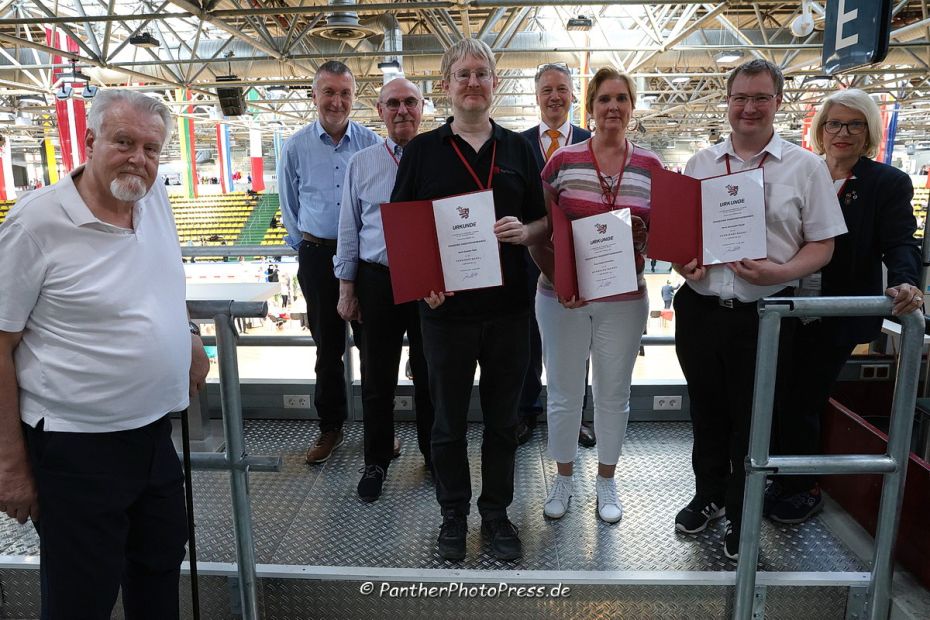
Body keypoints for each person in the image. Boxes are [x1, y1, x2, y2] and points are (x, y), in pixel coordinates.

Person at [0, 89, 209, 619]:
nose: (138, 158)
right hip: (75, 450)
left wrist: (187, 336)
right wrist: (9, 467)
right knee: (81, 597)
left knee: (159, 569)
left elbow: (161, 281)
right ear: (90, 140)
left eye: (151, 148)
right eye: (124, 142)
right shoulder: (34, 225)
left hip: (154, 434)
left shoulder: (151, 197)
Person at [671, 59, 847, 560]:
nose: (749, 107)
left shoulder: (804, 166)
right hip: (702, 310)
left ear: (778, 102)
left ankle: (742, 512)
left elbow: (823, 245)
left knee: (754, 419)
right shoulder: (701, 163)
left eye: (761, 98)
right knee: (706, 411)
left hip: (764, 315)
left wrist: (779, 272)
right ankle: (708, 497)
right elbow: (685, 238)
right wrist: (685, 264)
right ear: (727, 102)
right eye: (740, 97)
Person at [391, 38, 547, 561]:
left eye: (482, 73)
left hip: (508, 311)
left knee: (504, 422)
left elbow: (544, 219)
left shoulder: (521, 149)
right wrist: (422, 283)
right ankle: (452, 512)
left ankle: (497, 513)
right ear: (446, 85)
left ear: (495, 83)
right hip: (445, 314)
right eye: (463, 74)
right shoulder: (422, 152)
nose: (473, 82)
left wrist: (525, 233)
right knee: (447, 422)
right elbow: (404, 231)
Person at [766, 88, 922, 523]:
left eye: (854, 124)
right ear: (821, 128)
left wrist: (907, 281)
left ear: (869, 131)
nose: (842, 133)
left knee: (804, 398)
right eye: (834, 123)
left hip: (834, 313)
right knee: (774, 394)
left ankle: (801, 484)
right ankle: (775, 472)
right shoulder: (800, 171)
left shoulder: (885, 183)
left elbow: (898, 241)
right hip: (785, 306)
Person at [530, 67, 659, 524]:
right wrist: (557, 280)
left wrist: (646, 235)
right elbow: (539, 230)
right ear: (591, 107)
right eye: (604, 99)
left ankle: (607, 479)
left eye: (622, 99)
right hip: (562, 298)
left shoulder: (649, 165)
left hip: (624, 298)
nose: (613, 107)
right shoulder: (562, 162)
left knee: (613, 394)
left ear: (631, 106)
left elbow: (664, 239)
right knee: (563, 392)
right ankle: (563, 476)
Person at [334, 78, 435, 502]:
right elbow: (349, 229)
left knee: (432, 373)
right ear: (379, 110)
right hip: (378, 279)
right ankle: (376, 460)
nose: (402, 110)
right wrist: (347, 287)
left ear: (423, 107)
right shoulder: (362, 163)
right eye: (392, 103)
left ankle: (435, 456)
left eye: (410, 102)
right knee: (377, 378)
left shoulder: (438, 158)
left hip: (431, 281)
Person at [278, 60, 379, 464]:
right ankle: (330, 427)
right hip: (318, 255)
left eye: (345, 93)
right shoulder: (296, 146)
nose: (337, 101)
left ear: (354, 97)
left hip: (365, 258)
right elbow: (289, 206)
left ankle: (378, 431)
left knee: (374, 348)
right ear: (315, 95)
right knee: (327, 348)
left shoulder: (370, 142)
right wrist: (306, 248)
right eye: (329, 92)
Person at [517, 62, 595, 449]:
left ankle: (579, 416)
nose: (554, 96)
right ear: (537, 97)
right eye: (547, 89)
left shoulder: (590, 141)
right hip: (529, 259)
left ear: (572, 95)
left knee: (578, 342)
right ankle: (528, 411)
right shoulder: (518, 144)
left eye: (561, 89)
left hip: (580, 258)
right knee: (528, 340)